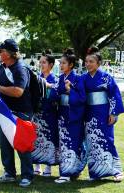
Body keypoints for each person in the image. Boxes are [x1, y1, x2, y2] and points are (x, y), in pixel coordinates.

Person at [0, 39, 34, 187]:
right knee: (4, 144)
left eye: (1, 51)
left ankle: (27, 176)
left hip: (21, 112)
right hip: (6, 112)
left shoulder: (20, 69)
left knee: (22, 144)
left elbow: (18, 91)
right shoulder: (3, 66)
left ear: (10, 54)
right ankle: (9, 173)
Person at [84, 46, 124, 181]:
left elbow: (114, 95)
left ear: (98, 63)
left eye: (91, 61)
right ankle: (95, 172)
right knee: (91, 142)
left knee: (107, 140)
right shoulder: (83, 78)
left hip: (103, 113)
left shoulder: (106, 77)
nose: (88, 64)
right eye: (86, 61)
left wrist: (114, 113)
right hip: (89, 114)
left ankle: (117, 171)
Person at [50, 49, 86, 183]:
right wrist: (54, 92)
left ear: (71, 65)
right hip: (63, 114)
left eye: (63, 63)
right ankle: (67, 172)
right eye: (60, 63)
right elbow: (56, 94)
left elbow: (82, 98)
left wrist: (71, 91)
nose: (61, 65)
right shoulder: (60, 78)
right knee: (64, 143)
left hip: (74, 115)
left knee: (73, 143)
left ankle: (68, 173)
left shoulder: (78, 78)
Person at [31, 51, 59, 176]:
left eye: (44, 62)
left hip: (50, 113)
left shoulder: (56, 79)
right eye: (40, 62)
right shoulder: (36, 78)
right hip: (36, 113)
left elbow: (56, 95)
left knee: (50, 138)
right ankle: (36, 165)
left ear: (51, 64)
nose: (41, 64)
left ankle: (48, 166)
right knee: (35, 138)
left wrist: (48, 88)